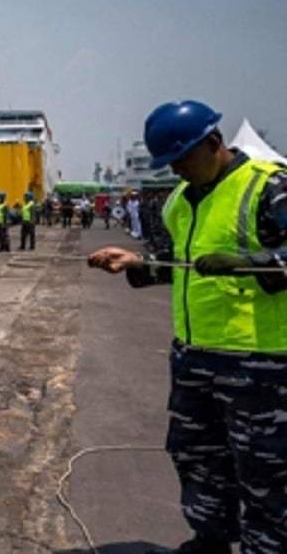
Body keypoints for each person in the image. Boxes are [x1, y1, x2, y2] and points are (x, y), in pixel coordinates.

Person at [87, 100, 287, 554]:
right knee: (197, 457)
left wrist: (255, 264)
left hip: (260, 364)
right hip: (195, 356)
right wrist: (139, 264)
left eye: (183, 159)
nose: (177, 171)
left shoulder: (268, 187)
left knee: (265, 473)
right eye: (170, 163)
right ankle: (210, 540)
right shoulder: (180, 201)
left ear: (214, 143)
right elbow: (183, 265)